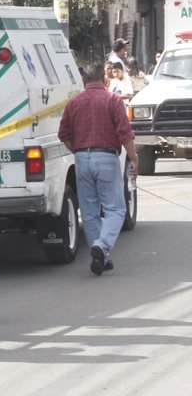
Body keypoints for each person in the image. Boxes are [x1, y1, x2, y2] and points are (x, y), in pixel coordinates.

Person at [58, 63, 140, 276]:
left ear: (84, 81)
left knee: (89, 210)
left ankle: (102, 258)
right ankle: (102, 246)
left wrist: (77, 149)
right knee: (116, 209)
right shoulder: (112, 100)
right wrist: (134, 158)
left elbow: (63, 133)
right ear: (104, 80)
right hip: (106, 156)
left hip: (82, 158)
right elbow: (125, 133)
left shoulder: (73, 103)